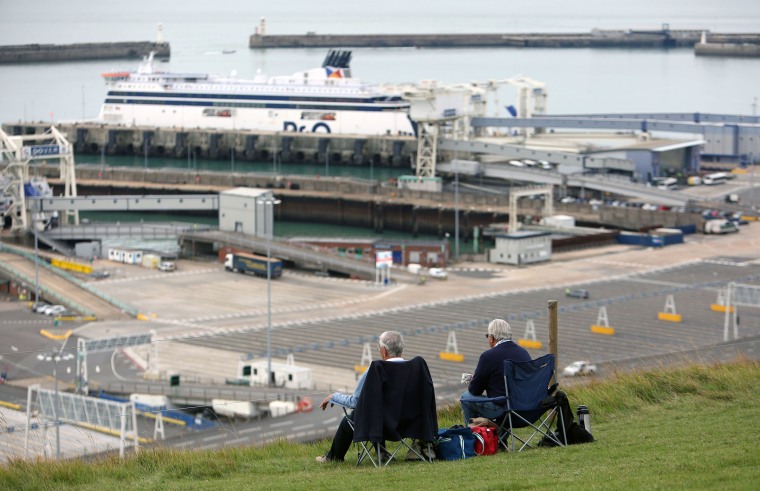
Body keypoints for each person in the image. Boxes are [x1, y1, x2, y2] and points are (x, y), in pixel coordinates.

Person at [316, 330, 406, 463]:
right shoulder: (413, 367)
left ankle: (333, 458)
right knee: (379, 408)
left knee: (351, 419)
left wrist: (333, 396)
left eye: (379, 348)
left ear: (385, 351)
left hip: (380, 425)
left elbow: (355, 402)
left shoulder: (376, 369)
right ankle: (382, 453)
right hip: (406, 423)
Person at [460, 318, 531, 426]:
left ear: (492, 338)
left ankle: (475, 438)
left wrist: (478, 379)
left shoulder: (488, 356)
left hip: (505, 410)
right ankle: (501, 439)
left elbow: (475, 390)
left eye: (487, 336)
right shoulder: (524, 353)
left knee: (466, 398)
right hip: (528, 408)